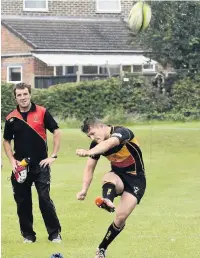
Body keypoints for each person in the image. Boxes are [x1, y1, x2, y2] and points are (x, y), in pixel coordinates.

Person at [76, 117, 146, 258]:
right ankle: (107, 200)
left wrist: (89, 152)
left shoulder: (122, 132)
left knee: (120, 218)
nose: (93, 137)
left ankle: (102, 248)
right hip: (118, 176)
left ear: (101, 126)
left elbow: (110, 143)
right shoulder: (96, 145)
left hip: (136, 180)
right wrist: (84, 189)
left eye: (93, 133)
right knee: (108, 177)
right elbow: (89, 168)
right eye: (90, 136)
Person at [3, 83, 62, 243]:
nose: (23, 97)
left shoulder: (42, 112)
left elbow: (56, 131)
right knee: (23, 202)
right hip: (21, 166)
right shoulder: (11, 118)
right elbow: (6, 141)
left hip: (41, 165)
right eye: (19, 95)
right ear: (15, 97)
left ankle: (55, 234)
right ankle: (28, 235)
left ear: (30, 94)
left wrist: (53, 156)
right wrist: (12, 161)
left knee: (44, 198)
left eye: (25, 94)